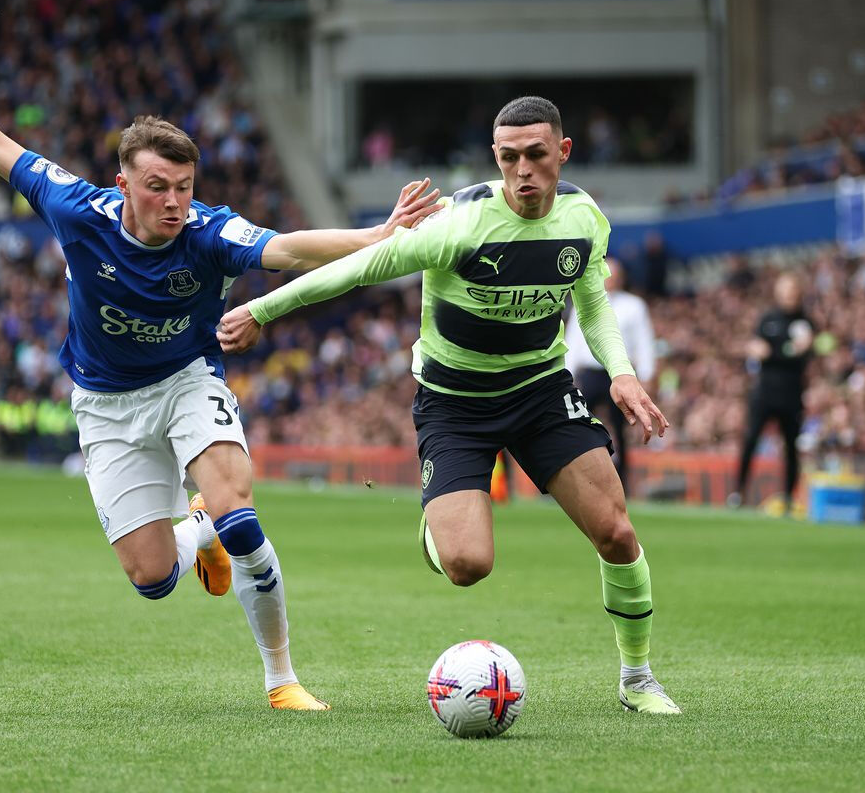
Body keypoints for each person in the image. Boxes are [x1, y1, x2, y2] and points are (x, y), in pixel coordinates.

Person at [0, 33, 440, 710]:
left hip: (188, 381)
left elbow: (287, 248)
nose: (174, 202)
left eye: (184, 188)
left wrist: (375, 236)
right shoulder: (78, 211)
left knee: (241, 516)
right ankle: (198, 526)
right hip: (106, 404)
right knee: (153, 579)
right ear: (124, 185)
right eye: (157, 187)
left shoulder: (208, 233)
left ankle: (281, 680)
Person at [220, 96, 681, 714]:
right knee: (467, 565)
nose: (522, 170)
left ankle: (637, 678)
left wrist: (621, 373)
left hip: (541, 390)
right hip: (455, 403)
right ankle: (438, 522)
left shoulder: (583, 218)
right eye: (509, 157)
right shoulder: (458, 226)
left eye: (536, 154)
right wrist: (261, 308)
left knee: (617, 532)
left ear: (563, 152)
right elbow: (358, 269)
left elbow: (591, 301)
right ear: (495, 156)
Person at [565, 259, 656, 494]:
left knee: (621, 428)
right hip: (589, 373)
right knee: (575, 423)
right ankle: (570, 480)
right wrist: (568, 373)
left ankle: (622, 483)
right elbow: (574, 338)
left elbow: (644, 342)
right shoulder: (582, 300)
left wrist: (645, 374)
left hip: (618, 374)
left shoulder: (634, 306)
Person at [730, 273, 814, 511]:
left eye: (792, 291)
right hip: (764, 392)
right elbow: (757, 349)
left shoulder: (804, 322)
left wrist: (772, 352)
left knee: (791, 446)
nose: (789, 296)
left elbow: (797, 353)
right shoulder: (768, 318)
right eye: (785, 291)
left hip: (791, 394)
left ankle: (788, 496)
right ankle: (738, 492)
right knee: (750, 440)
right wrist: (782, 351)